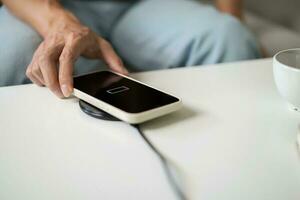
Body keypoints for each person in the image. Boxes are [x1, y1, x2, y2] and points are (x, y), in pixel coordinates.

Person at [0, 0, 261, 98]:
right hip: (49, 6)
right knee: (12, 57)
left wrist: (234, 19)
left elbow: (231, 30)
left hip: (139, 6)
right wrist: (58, 22)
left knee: (228, 37)